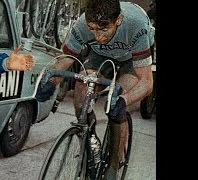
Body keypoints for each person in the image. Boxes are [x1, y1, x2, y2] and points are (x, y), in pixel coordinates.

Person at [36, 0, 155, 179]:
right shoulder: (82, 24)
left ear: (118, 20)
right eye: (93, 29)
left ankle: (113, 167)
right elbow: (66, 59)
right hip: (100, 55)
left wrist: (124, 101)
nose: (98, 36)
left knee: (116, 106)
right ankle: (90, 140)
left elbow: (146, 82)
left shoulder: (135, 25)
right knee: (81, 96)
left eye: (103, 30)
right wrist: (51, 80)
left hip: (130, 60)